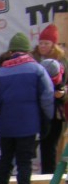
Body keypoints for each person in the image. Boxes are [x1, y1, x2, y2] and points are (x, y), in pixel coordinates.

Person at [0, 32, 54, 184]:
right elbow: (47, 97)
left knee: (5, 159)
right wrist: (48, 119)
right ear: (27, 51)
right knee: (24, 162)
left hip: (7, 125)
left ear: (11, 51)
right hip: (29, 125)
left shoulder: (0, 72)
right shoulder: (37, 69)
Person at [32, 24, 68, 174]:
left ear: (53, 45)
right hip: (36, 109)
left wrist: (62, 94)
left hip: (55, 111)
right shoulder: (33, 59)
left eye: (46, 43)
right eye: (41, 43)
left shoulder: (62, 62)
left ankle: (48, 176)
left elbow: (65, 86)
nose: (42, 46)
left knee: (50, 146)